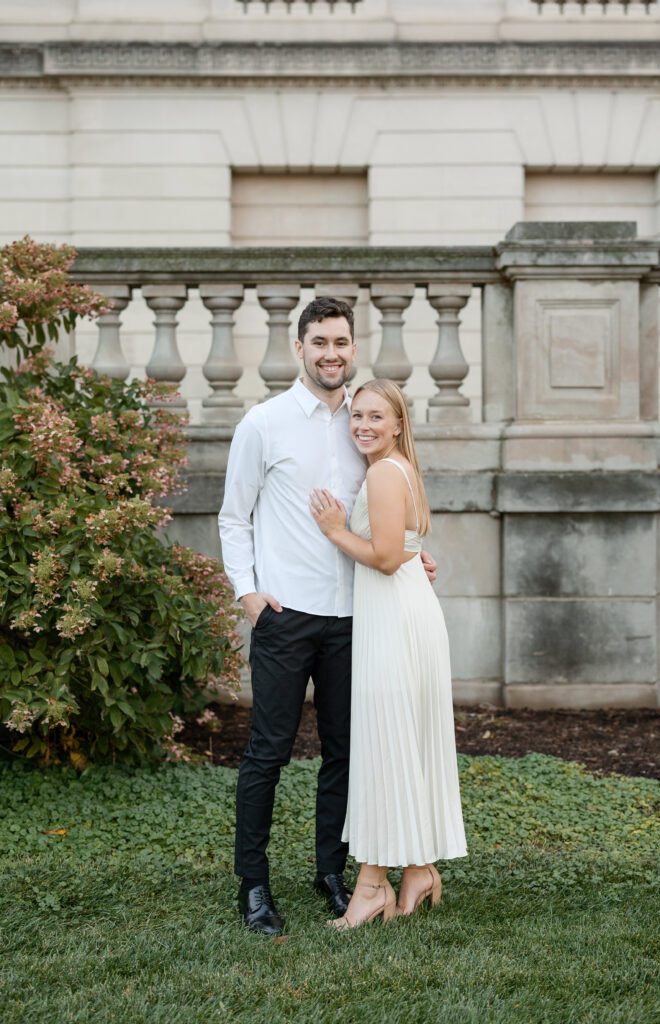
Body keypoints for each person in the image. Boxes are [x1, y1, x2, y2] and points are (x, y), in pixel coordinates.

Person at [218, 298, 436, 936]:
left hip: (358, 618)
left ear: (353, 347)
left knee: (347, 753)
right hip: (285, 615)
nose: (331, 353)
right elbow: (234, 516)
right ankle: (253, 886)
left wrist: (412, 559)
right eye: (319, 342)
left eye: (341, 341)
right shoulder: (264, 423)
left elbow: (388, 512)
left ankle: (331, 872)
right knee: (268, 752)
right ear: (299, 348)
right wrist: (249, 595)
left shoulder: (365, 424)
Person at [309, 378, 467, 929]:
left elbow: (381, 557)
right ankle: (419, 870)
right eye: (357, 416)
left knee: (384, 744)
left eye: (377, 417)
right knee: (404, 741)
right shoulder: (402, 468)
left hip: (395, 620)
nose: (364, 425)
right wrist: (407, 558)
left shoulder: (381, 471)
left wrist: (332, 529)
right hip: (407, 611)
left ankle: (372, 887)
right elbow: (405, 549)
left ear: (399, 423)